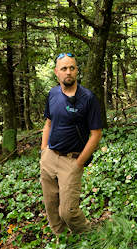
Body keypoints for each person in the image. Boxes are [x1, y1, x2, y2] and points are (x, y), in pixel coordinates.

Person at [40, 53, 103, 235]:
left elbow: (96, 134)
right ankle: (61, 237)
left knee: (68, 211)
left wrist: (79, 162)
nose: (68, 72)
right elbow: (48, 123)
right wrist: (44, 151)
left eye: (72, 68)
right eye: (64, 69)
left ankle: (87, 236)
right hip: (50, 157)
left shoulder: (88, 98)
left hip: (71, 160)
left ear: (76, 71)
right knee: (51, 205)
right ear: (56, 72)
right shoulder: (52, 94)